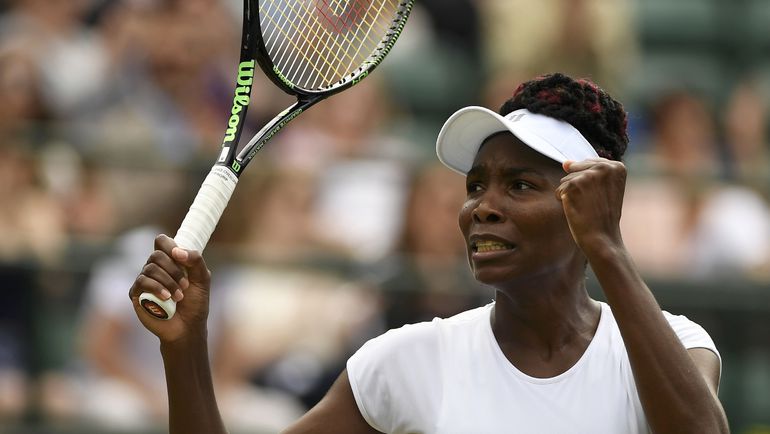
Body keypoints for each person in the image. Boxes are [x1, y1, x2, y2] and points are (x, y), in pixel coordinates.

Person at [128, 73, 729, 433]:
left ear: (589, 205)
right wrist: (184, 348)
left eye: (520, 185)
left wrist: (608, 248)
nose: (481, 207)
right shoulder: (406, 361)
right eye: (476, 186)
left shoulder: (680, 345)